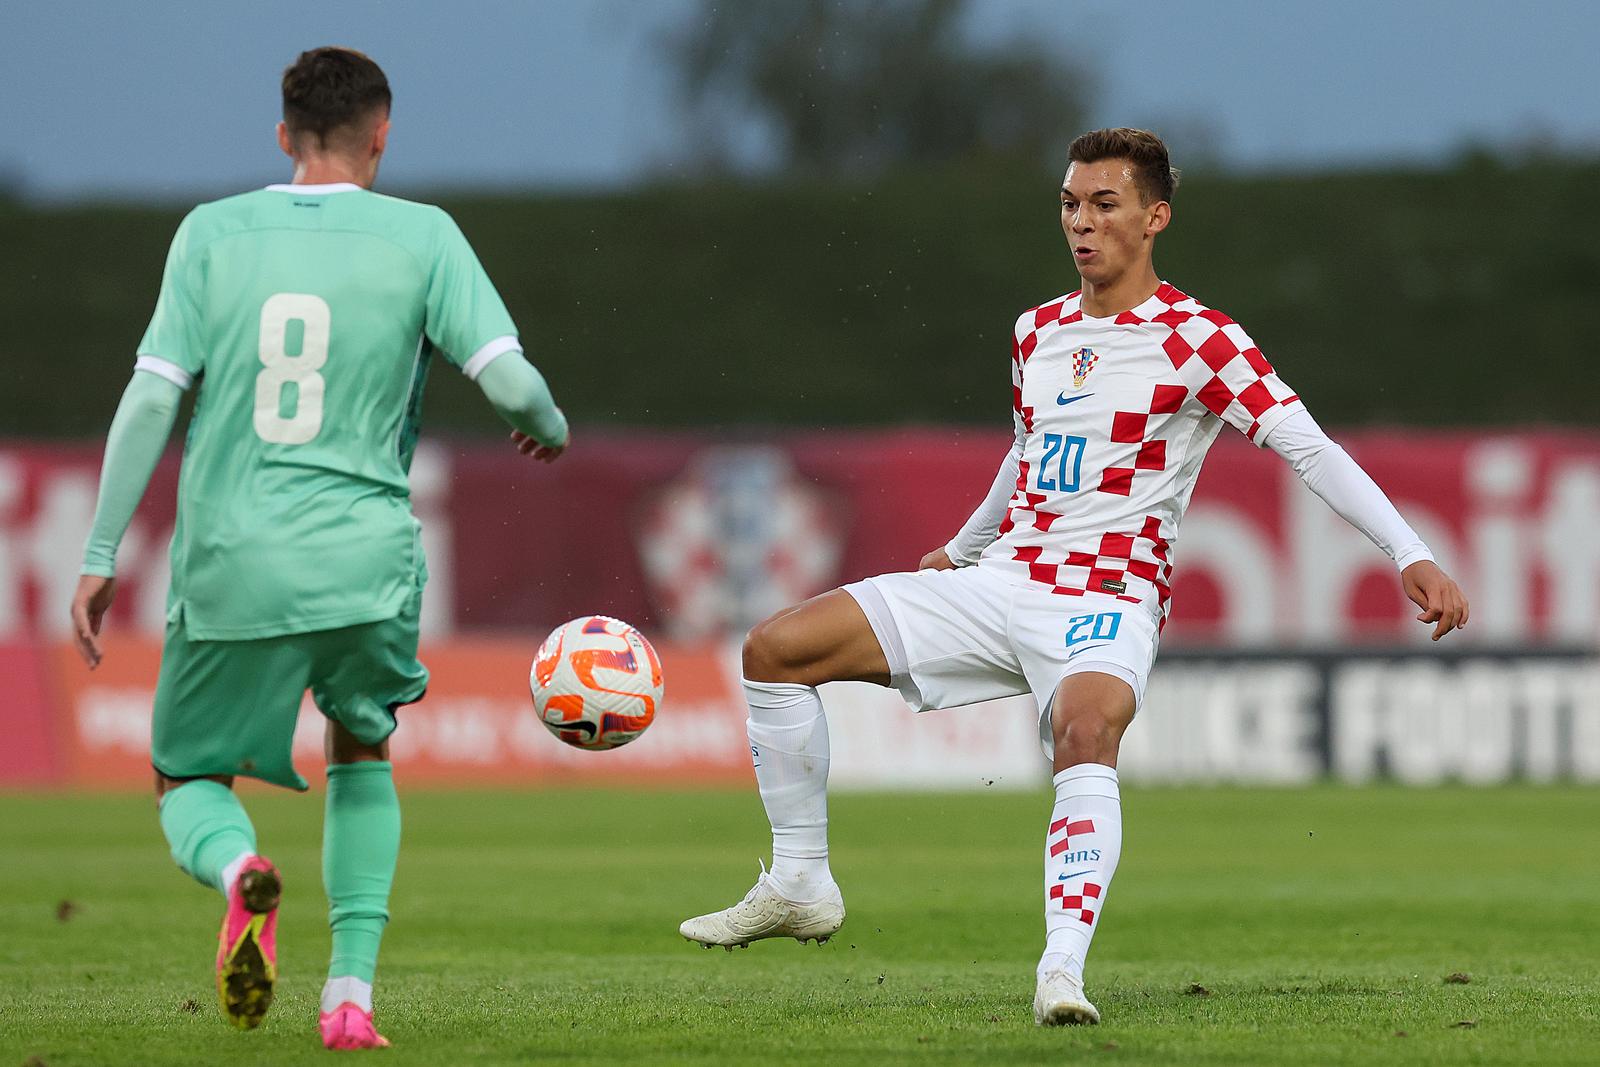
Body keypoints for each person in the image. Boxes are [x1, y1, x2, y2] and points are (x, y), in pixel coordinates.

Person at [678, 127, 1469, 1025]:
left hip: (1108, 595)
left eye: (1104, 204)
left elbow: (1309, 448)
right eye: (1068, 204)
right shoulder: (1038, 331)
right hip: (1004, 577)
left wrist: (1408, 550)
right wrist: (964, 546)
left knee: (1084, 730)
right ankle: (800, 879)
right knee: (776, 648)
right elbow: (1026, 459)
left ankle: (1062, 970)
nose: (1080, 223)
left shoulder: (1200, 339)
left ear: (1154, 217)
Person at [68, 47, 569, 1050]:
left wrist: (99, 550)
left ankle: (236, 871)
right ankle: (348, 998)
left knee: (187, 776)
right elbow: (512, 388)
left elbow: (153, 395)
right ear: (382, 133)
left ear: (282, 135)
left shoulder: (211, 233)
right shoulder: (425, 235)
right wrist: (548, 427)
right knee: (363, 745)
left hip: (231, 554)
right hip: (366, 556)